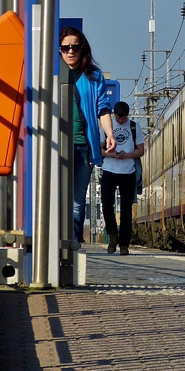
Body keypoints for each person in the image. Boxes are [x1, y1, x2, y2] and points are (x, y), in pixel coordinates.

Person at [59, 27, 115, 245]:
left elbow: (103, 108)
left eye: (75, 47)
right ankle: (54, 242)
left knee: (76, 200)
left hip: (83, 145)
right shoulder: (50, 73)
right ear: (59, 50)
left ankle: (73, 244)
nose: (71, 51)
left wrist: (109, 134)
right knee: (54, 196)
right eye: (66, 47)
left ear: (83, 50)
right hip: (56, 145)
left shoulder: (94, 77)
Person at [100, 100, 144, 256]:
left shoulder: (134, 127)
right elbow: (100, 149)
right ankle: (112, 235)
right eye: (118, 118)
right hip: (109, 170)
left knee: (126, 210)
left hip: (128, 172)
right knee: (106, 204)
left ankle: (124, 244)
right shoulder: (107, 127)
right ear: (114, 115)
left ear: (127, 115)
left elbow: (141, 151)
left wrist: (127, 155)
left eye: (123, 118)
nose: (120, 121)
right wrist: (110, 154)